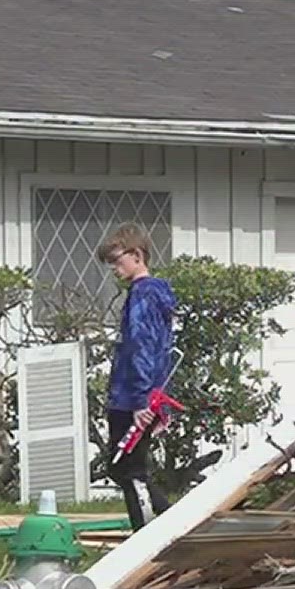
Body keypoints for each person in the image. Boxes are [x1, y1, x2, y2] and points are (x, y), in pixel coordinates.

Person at [97, 223, 178, 530]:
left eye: (118, 261)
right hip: (148, 393)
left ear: (137, 255)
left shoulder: (143, 295)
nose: (115, 269)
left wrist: (142, 399)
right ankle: (166, 523)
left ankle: (149, 533)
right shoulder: (156, 294)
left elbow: (142, 347)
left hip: (133, 397)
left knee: (126, 469)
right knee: (129, 467)